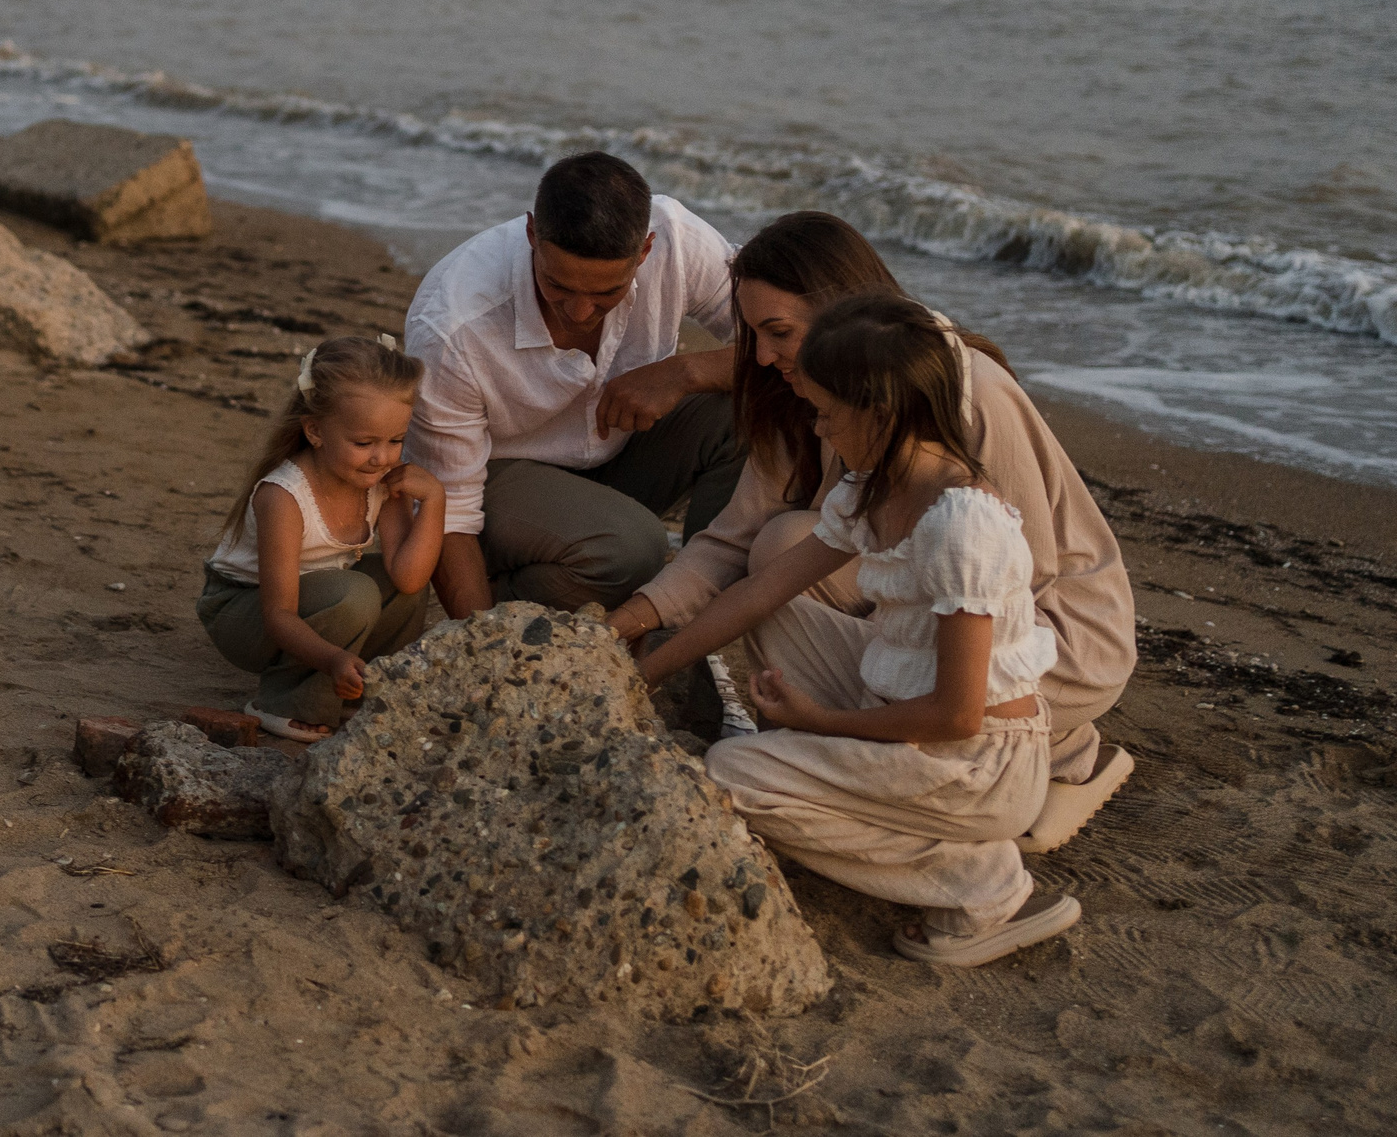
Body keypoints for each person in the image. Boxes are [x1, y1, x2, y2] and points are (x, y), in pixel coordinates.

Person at [615, 211, 1137, 849]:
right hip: (934, 627)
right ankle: (865, 763)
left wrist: (839, 723)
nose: (760, 356)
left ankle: (1053, 750)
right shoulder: (810, 401)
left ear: (844, 314)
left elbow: (1027, 579)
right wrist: (626, 641)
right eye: (752, 334)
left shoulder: (974, 398)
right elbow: (734, 547)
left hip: (1048, 643)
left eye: (777, 332)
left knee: (788, 555)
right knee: (777, 563)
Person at [682, 292, 1081, 965]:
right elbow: (760, 592)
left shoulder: (962, 525)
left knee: (729, 775)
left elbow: (956, 715)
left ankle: (982, 884)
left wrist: (818, 721)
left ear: (881, 413)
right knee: (776, 610)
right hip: (902, 705)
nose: (818, 429)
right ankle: (835, 780)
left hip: (977, 766)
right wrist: (641, 666)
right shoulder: (877, 486)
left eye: (827, 413)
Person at [403, 152, 744, 618]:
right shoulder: (451, 326)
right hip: (499, 478)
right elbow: (450, 511)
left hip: (620, 454)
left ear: (646, 250)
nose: (581, 312)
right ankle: (513, 601)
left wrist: (684, 372)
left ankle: (703, 611)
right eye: (558, 286)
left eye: (606, 292)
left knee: (748, 412)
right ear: (532, 235)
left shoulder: (678, 240)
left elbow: (795, 345)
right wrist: (477, 637)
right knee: (631, 549)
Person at [199, 335, 447, 741]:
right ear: (315, 431)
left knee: (399, 590)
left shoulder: (382, 480)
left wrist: (435, 500)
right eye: (363, 443)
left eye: (396, 440)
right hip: (244, 612)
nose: (382, 457)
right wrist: (332, 659)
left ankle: (365, 686)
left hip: (322, 602)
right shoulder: (284, 497)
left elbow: (409, 579)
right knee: (354, 594)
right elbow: (279, 614)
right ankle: (287, 701)